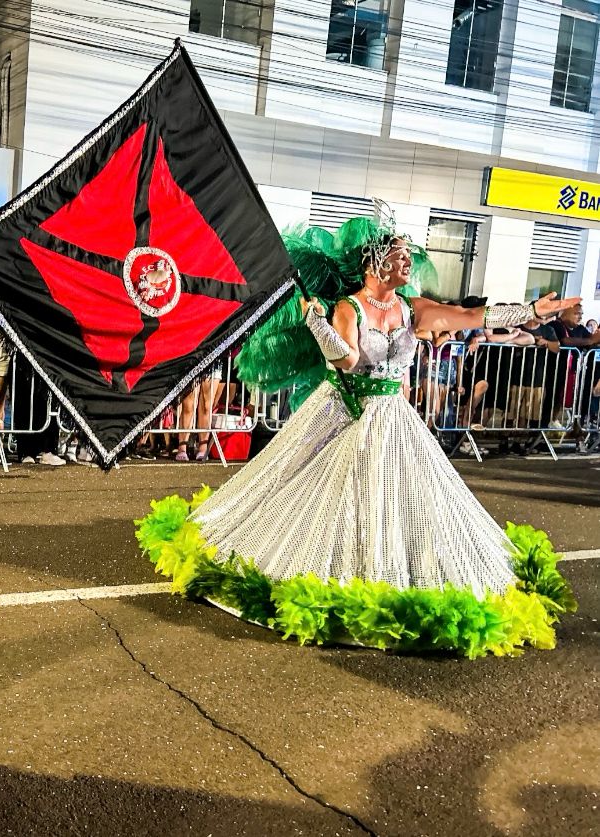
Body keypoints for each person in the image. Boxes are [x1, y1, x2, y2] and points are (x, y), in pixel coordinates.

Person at [136, 213, 579, 657]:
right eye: (399, 254)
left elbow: (469, 316)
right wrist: (317, 323)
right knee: (328, 493)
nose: (408, 261)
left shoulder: (413, 308)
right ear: (373, 262)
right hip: (343, 412)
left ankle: (391, 574)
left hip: (393, 416)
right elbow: (345, 361)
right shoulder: (348, 307)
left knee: (398, 498)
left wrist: (531, 311)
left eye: (408, 254)